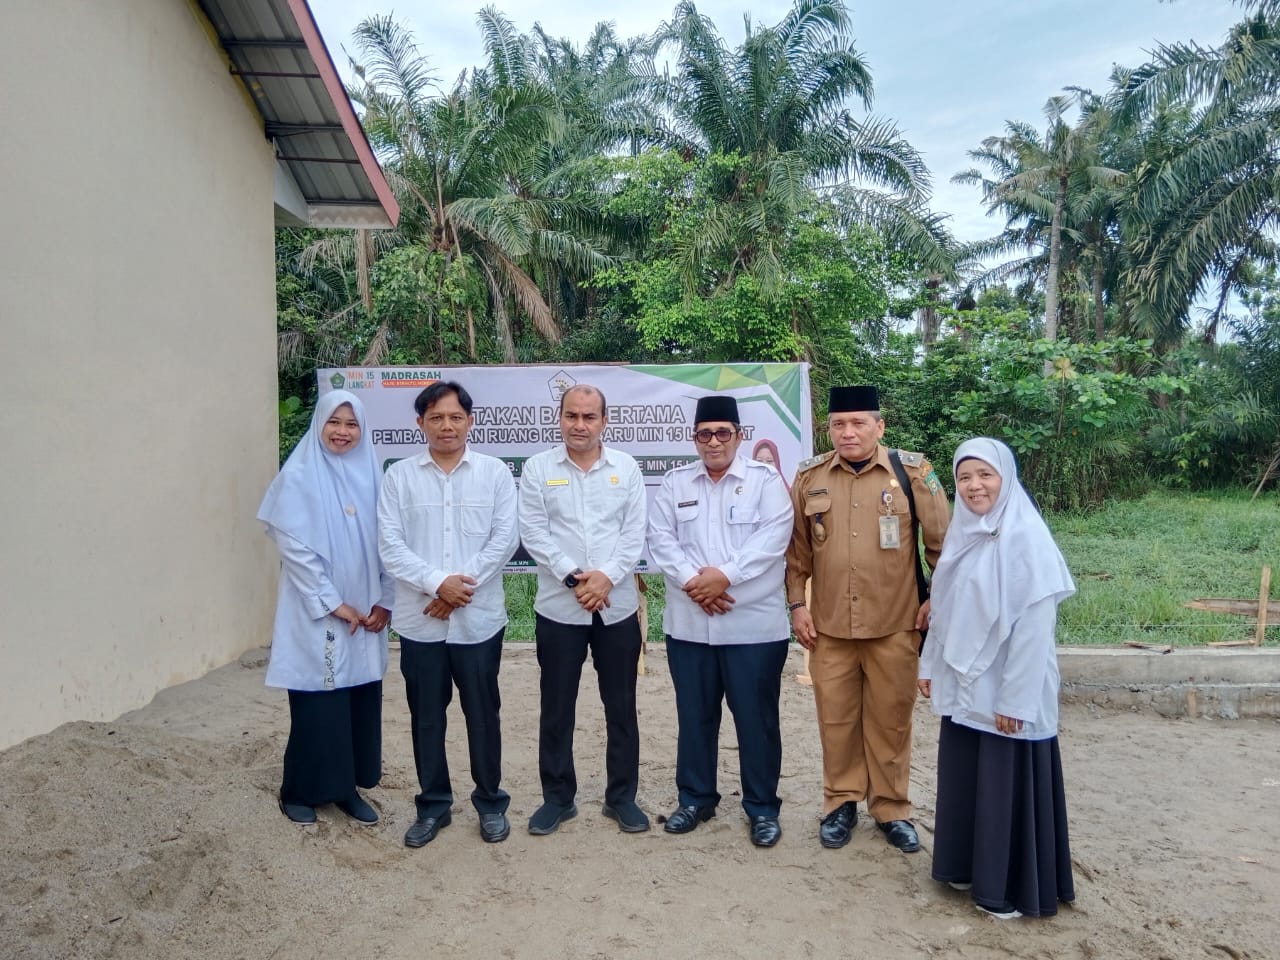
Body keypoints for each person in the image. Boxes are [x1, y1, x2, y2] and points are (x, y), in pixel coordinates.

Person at [786, 385, 950, 853]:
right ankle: (840, 804)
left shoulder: (913, 473)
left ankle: (892, 808)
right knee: (835, 721)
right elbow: (797, 554)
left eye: (859, 423)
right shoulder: (810, 477)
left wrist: (937, 597)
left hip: (896, 625)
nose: (848, 432)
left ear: (880, 426)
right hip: (830, 628)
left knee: (890, 721)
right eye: (839, 424)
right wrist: (798, 606)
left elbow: (944, 547)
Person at [917, 437, 1077, 919]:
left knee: (1002, 789)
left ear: (1006, 478)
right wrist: (928, 667)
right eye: (964, 477)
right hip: (965, 689)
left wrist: (1016, 702)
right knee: (967, 781)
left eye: (984, 475)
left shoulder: (1027, 539)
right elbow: (942, 611)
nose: (974, 486)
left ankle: (1004, 889)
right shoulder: (964, 535)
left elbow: (1033, 633)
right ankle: (963, 868)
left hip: (1008, 692)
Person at [378, 381, 519, 848]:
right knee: (426, 718)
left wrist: (458, 588)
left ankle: (490, 801)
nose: (446, 426)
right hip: (421, 622)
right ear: (420, 423)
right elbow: (390, 546)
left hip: (478, 621)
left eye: (455, 417)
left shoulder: (494, 473)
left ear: (470, 421)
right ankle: (434, 806)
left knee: (483, 714)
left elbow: (503, 540)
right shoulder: (399, 476)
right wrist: (437, 584)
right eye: (436, 417)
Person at [647, 396, 794, 846]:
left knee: (756, 720)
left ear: (739, 435)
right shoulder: (674, 483)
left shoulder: (765, 482)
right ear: (694, 438)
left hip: (752, 626)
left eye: (723, 433)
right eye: (704, 434)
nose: (713, 442)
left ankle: (762, 808)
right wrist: (698, 582)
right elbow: (660, 540)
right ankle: (695, 798)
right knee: (695, 716)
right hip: (690, 625)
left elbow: (772, 539)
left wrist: (723, 577)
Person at [518, 384, 649, 836]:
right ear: (560, 418)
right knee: (556, 708)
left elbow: (634, 535)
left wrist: (605, 577)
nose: (579, 425)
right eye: (571, 415)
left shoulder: (626, 468)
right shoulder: (538, 469)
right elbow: (534, 533)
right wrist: (576, 578)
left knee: (622, 707)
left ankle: (622, 798)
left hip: (616, 608)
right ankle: (557, 798)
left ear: (604, 421)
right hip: (559, 608)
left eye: (589, 417)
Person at [258, 390, 393, 826]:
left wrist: (383, 601)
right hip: (318, 612)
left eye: (352, 424)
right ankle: (299, 790)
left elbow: (391, 542)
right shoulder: (298, 477)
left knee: (356, 702)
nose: (343, 432)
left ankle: (346, 788)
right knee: (319, 704)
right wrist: (335, 603)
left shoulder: (373, 476)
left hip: (366, 614)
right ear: (319, 424)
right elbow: (294, 548)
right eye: (334, 422)